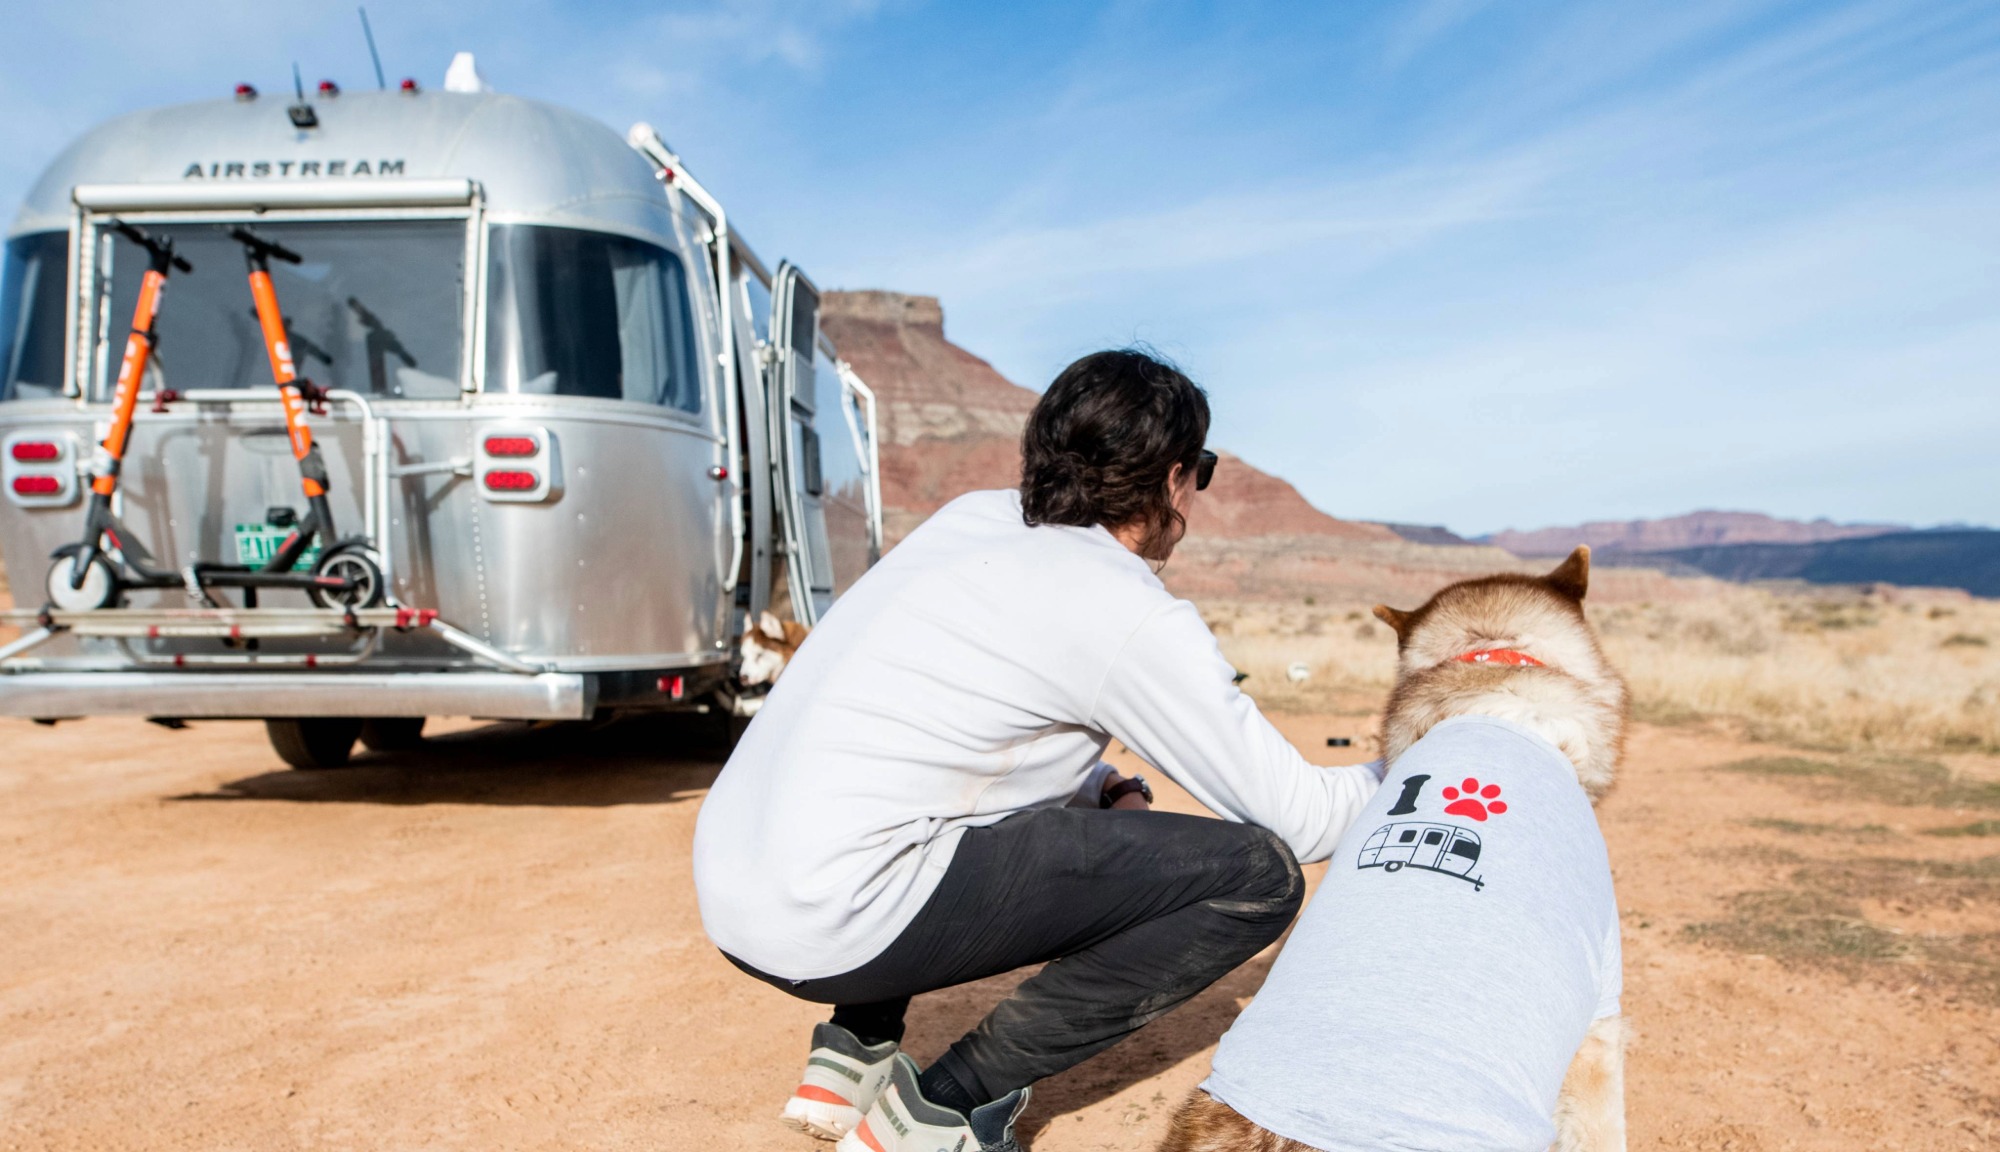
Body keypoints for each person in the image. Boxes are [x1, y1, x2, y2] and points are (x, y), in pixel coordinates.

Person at [692, 349, 1383, 1152]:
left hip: (735, 888)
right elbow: (1301, 821)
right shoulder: (1125, 608)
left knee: (912, 807)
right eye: (1202, 469)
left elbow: (946, 718)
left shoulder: (972, 519)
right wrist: (1424, 744)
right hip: (832, 921)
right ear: (1170, 479)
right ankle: (941, 1113)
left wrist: (1094, 787)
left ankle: (853, 1054)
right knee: (1258, 877)